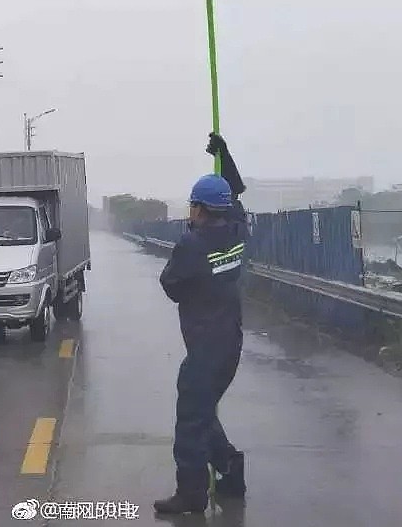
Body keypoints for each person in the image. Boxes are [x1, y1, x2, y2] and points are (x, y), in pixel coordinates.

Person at [154, 133, 248, 516]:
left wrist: (188, 241)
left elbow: (171, 286)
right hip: (230, 344)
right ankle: (230, 470)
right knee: (204, 410)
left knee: (191, 421)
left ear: (199, 209)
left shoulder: (192, 245)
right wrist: (223, 154)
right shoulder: (239, 231)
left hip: (205, 348)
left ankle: (191, 494)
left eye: (193, 205)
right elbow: (236, 194)